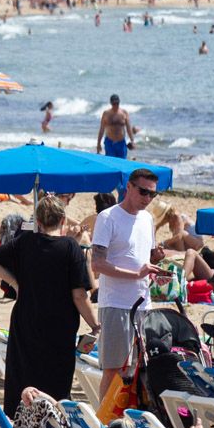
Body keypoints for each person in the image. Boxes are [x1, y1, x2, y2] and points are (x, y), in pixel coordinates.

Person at [0, 197, 96, 414]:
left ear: (38, 221)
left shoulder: (26, 242)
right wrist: (95, 324)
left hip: (25, 321)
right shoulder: (70, 247)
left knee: (22, 379)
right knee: (54, 384)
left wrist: (15, 282)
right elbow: (80, 295)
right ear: (63, 220)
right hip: (58, 327)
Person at [89, 169, 163, 396]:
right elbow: (97, 264)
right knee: (113, 370)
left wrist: (156, 260)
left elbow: (143, 258)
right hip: (116, 304)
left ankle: (125, 421)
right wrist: (137, 274)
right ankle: (105, 423)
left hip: (143, 303)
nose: (148, 198)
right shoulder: (108, 217)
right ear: (128, 188)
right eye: (143, 192)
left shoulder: (148, 218)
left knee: (137, 369)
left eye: (153, 194)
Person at [98, 94, 133, 159]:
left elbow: (128, 128)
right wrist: (98, 144)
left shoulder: (124, 113)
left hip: (121, 143)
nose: (116, 105)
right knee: (110, 162)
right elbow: (101, 129)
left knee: (122, 163)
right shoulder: (106, 114)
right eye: (114, 104)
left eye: (117, 103)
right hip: (110, 143)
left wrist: (132, 141)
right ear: (111, 103)